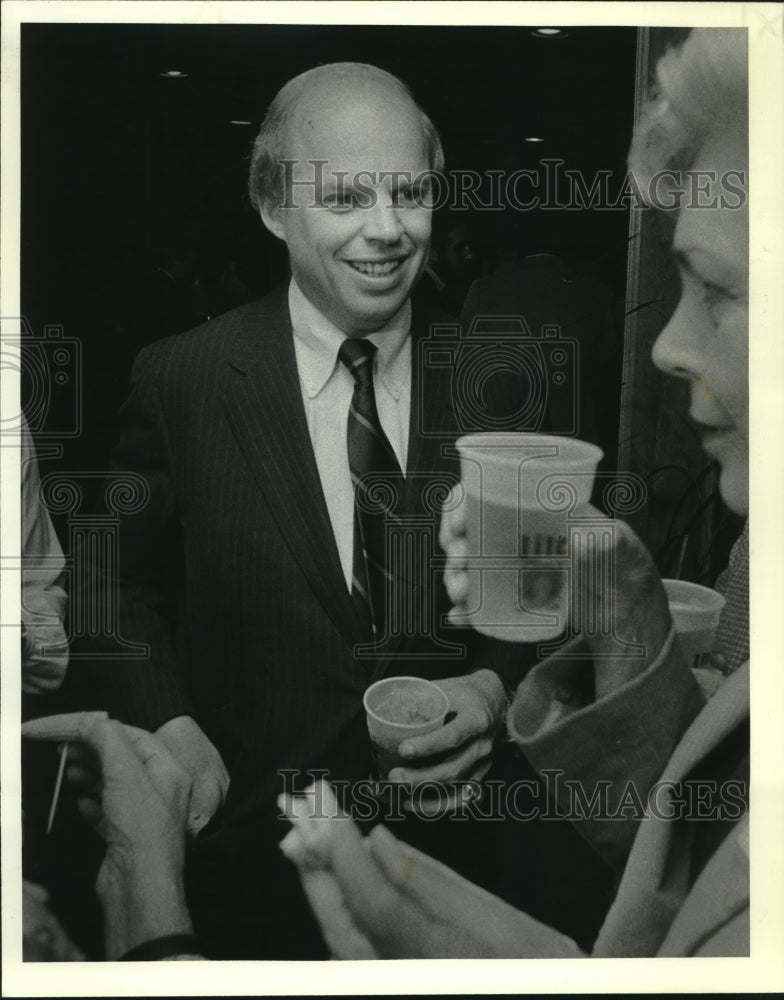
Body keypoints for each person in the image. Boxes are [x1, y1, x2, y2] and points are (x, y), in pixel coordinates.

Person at [277, 28, 751, 958]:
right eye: (344, 196)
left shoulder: (495, 362)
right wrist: (615, 605)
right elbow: (710, 831)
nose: (665, 344)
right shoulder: (753, 557)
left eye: (720, 291)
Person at [72, 62, 528, 958]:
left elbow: (532, 595)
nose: (389, 230)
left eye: (410, 192)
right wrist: (169, 720)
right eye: (348, 196)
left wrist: (490, 685)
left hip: (451, 865)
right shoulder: (183, 380)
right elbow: (107, 581)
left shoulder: (496, 380)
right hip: (244, 860)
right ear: (275, 206)